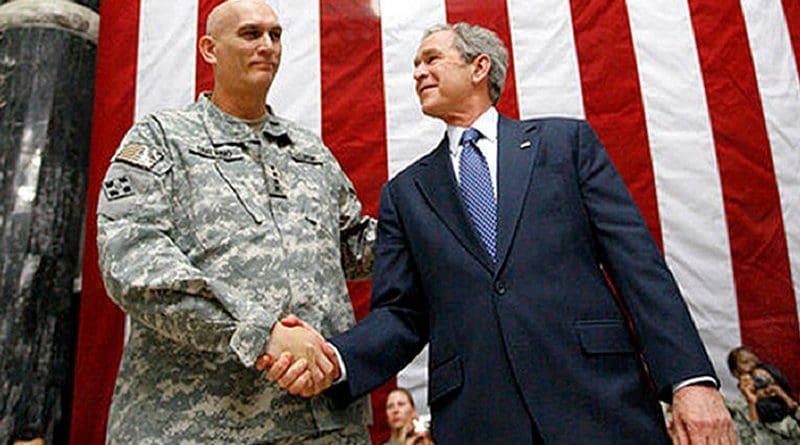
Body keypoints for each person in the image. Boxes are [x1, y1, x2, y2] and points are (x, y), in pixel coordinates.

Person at [266, 22, 735, 443]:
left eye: (431, 59)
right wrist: (336, 359)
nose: (417, 74)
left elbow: (639, 267)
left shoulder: (565, 145)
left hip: (599, 402)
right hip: (479, 417)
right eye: (414, 65)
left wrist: (691, 381)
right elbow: (401, 314)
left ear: (479, 67)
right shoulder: (405, 193)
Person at [95, 0, 375, 443]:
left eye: (275, 35)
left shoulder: (309, 151)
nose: (267, 46)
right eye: (250, 34)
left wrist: (435, 208)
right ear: (209, 48)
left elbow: (354, 249)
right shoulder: (160, 139)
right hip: (198, 422)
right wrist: (259, 333)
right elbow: (133, 260)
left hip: (320, 423)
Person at [728, 362, 800, 444]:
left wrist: (786, 398)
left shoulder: (789, 422)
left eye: (766, 381)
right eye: (757, 381)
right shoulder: (738, 412)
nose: (764, 390)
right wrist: (751, 404)